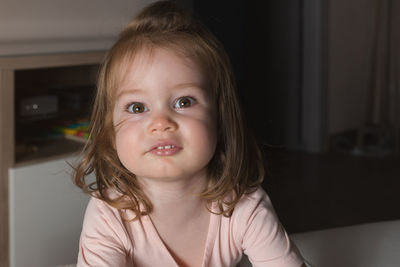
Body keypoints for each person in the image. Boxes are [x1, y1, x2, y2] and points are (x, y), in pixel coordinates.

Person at [74, 1, 305, 266]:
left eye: (184, 102)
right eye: (137, 107)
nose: (160, 123)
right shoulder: (109, 214)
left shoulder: (245, 208)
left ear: (219, 118)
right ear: (109, 133)